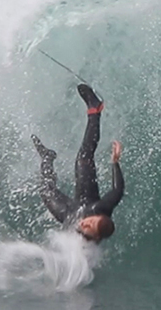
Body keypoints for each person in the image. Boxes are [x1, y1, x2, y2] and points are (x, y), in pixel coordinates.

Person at [32, 84, 124, 243]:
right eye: (92, 221)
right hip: (86, 197)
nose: (86, 223)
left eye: (89, 227)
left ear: (95, 236)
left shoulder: (85, 243)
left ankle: (48, 157)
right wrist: (115, 162)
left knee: (45, 188)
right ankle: (95, 110)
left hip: (67, 214)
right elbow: (118, 190)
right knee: (83, 157)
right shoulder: (101, 208)